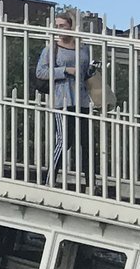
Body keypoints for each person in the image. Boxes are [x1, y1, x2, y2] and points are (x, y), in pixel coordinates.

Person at [34, 11, 95, 181]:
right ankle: (50, 178)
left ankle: (91, 181)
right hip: (62, 99)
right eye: (57, 26)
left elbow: (86, 73)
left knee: (87, 142)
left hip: (82, 99)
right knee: (64, 140)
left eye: (63, 26)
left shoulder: (83, 49)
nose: (59, 30)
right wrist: (65, 70)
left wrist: (91, 71)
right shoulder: (51, 49)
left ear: (71, 27)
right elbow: (40, 72)